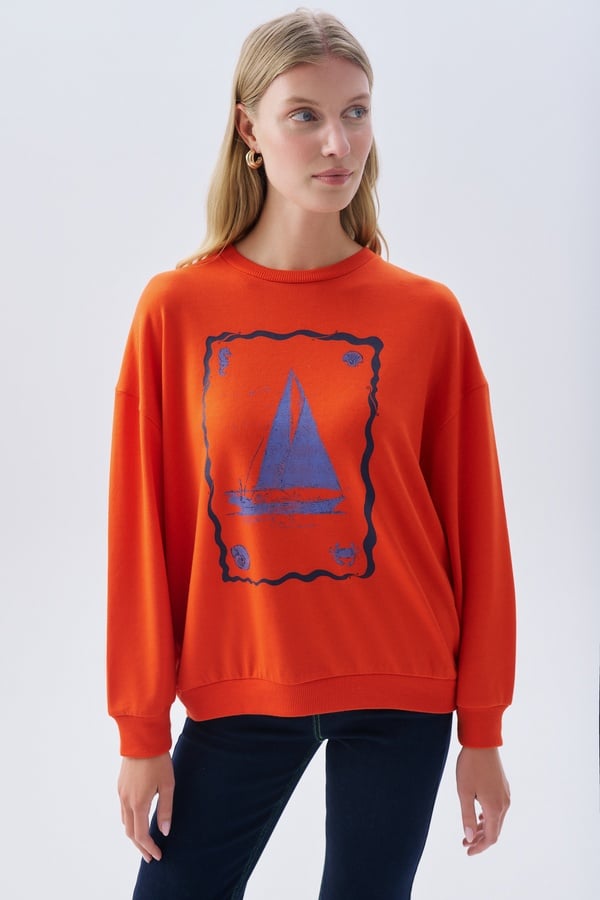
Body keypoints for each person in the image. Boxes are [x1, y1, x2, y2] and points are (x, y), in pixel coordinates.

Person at [107, 9, 516, 899]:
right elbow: (142, 532)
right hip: (240, 684)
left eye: (356, 112)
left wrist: (482, 729)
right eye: (305, 115)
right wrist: (142, 732)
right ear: (249, 130)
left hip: (403, 689)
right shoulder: (175, 310)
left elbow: (477, 531)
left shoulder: (426, 315)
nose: (339, 143)